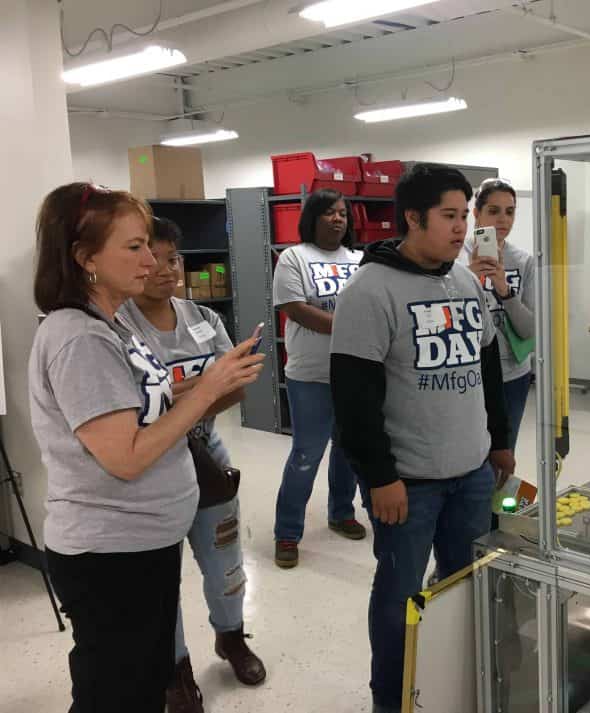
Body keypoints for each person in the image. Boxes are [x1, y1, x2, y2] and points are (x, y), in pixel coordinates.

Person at [29, 183, 263, 713]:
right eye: (134, 247)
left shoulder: (109, 324)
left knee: (139, 682)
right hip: (110, 555)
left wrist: (217, 377)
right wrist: (207, 388)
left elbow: (138, 406)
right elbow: (126, 456)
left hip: (141, 543)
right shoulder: (81, 338)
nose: (152, 261)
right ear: (85, 258)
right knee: (117, 693)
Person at [329, 163, 515, 713]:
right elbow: (353, 398)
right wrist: (380, 477)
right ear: (413, 218)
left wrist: (499, 440)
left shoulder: (464, 281)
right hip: (408, 484)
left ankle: (451, 689)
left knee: (463, 589)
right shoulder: (370, 290)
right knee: (398, 597)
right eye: (449, 216)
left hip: (472, 474)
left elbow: (487, 368)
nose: (462, 228)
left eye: (464, 216)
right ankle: (391, 699)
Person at [117, 218, 266, 713]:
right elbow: (132, 412)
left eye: (173, 258)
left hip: (207, 455)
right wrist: (205, 388)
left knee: (225, 561)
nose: (164, 268)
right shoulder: (118, 327)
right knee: (162, 578)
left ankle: (231, 636)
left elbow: (237, 386)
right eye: (151, 256)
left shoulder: (203, 317)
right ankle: (175, 668)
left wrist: (180, 400)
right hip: (151, 466)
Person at [272, 189, 366, 569]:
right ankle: (287, 532)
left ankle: (341, 513)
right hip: (310, 374)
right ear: (312, 217)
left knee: (348, 449)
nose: (338, 218)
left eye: (342, 212)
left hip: (354, 372)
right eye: (329, 212)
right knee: (306, 454)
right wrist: (352, 328)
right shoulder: (294, 257)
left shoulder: (359, 260)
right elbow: (296, 310)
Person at [462, 178, 535, 448]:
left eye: (510, 211)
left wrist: (504, 290)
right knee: (471, 451)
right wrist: (468, 277)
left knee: (504, 450)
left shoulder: (524, 261)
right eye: (493, 211)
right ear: (476, 213)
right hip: (469, 371)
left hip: (512, 373)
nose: (503, 219)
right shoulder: (456, 257)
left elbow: (530, 329)